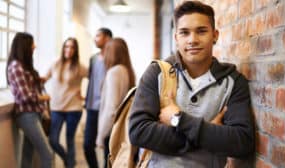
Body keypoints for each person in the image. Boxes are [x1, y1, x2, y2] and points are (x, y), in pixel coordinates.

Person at [129, 1, 254, 168]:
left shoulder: (233, 81)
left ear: (215, 35)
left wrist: (178, 120)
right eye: (184, 33)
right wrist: (208, 132)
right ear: (176, 38)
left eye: (201, 31)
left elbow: (242, 141)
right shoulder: (157, 73)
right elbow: (138, 132)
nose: (193, 40)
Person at [6, 32, 53, 168]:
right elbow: (25, 96)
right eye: (32, 44)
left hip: (33, 114)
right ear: (24, 45)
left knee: (27, 154)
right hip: (27, 116)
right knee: (47, 154)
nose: (34, 46)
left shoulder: (23, 66)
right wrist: (44, 97)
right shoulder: (16, 66)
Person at [44, 37, 88, 168]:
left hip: (74, 109)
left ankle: (69, 165)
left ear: (76, 50)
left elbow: (95, 80)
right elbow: (43, 79)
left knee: (70, 140)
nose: (69, 49)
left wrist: (86, 96)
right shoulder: (55, 64)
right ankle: (68, 160)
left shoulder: (80, 66)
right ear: (63, 48)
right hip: (56, 108)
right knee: (53, 140)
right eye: (66, 46)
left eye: (72, 47)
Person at [96, 38, 135, 168]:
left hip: (112, 130)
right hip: (121, 128)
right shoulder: (127, 70)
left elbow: (111, 109)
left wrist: (101, 135)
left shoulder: (114, 72)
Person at [84, 27, 112, 168]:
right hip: (92, 108)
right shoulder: (93, 59)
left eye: (98, 36)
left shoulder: (113, 58)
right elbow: (91, 80)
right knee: (87, 145)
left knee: (108, 147)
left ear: (107, 38)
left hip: (107, 109)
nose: (95, 39)